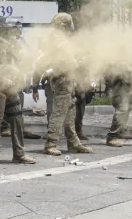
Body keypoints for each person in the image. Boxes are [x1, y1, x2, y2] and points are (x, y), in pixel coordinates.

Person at [36, 13, 92, 156]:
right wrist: (81, 61)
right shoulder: (58, 39)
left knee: (70, 112)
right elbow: (66, 61)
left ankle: (73, 142)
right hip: (62, 78)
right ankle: (50, 143)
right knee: (59, 113)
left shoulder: (58, 38)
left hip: (67, 79)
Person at [0, 18, 35, 164]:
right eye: (7, 30)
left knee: (17, 117)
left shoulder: (11, 45)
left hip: (11, 86)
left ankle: (19, 154)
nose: (11, 33)